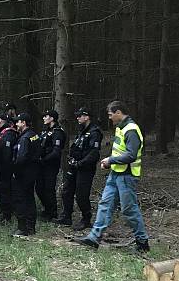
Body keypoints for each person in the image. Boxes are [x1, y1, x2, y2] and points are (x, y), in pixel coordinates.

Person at [75, 101, 150, 255]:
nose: (109, 118)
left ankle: (142, 242)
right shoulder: (121, 128)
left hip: (127, 177)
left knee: (129, 209)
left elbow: (131, 155)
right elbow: (120, 152)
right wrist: (110, 162)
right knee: (105, 204)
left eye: (110, 114)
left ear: (118, 112)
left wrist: (111, 160)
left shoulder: (131, 129)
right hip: (116, 174)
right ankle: (94, 238)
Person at [55, 108, 103, 230]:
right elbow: (77, 147)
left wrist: (81, 163)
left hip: (85, 168)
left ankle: (86, 219)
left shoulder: (94, 132)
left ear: (87, 117)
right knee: (67, 190)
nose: (77, 118)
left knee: (81, 194)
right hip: (74, 166)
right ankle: (66, 216)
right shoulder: (81, 131)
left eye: (80, 116)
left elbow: (94, 153)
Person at [11, 113, 41, 237]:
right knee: (29, 199)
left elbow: (21, 157)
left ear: (23, 123)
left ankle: (22, 228)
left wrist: (14, 170)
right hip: (32, 172)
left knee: (21, 199)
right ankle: (31, 226)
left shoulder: (24, 138)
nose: (16, 124)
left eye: (18, 122)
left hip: (22, 174)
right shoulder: (34, 135)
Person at [35, 109, 66, 220]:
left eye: (46, 116)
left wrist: (44, 159)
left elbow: (56, 152)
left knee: (48, 188)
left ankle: (52, 213)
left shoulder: (58, 132)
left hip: (50, 165)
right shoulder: (44, 131)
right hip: (41, 164)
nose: (44, 118)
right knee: (39, 188)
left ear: (52, 118)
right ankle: (46, 208)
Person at [0, 112, 18, 222]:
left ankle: (6, 214)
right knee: (2, 191)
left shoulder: (8, 134)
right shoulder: (1, 132)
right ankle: (4, 210)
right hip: (1, 167)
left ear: (0, 120)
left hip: (6, 168)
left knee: (5, 191)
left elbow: (7, 154)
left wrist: (2, 167)